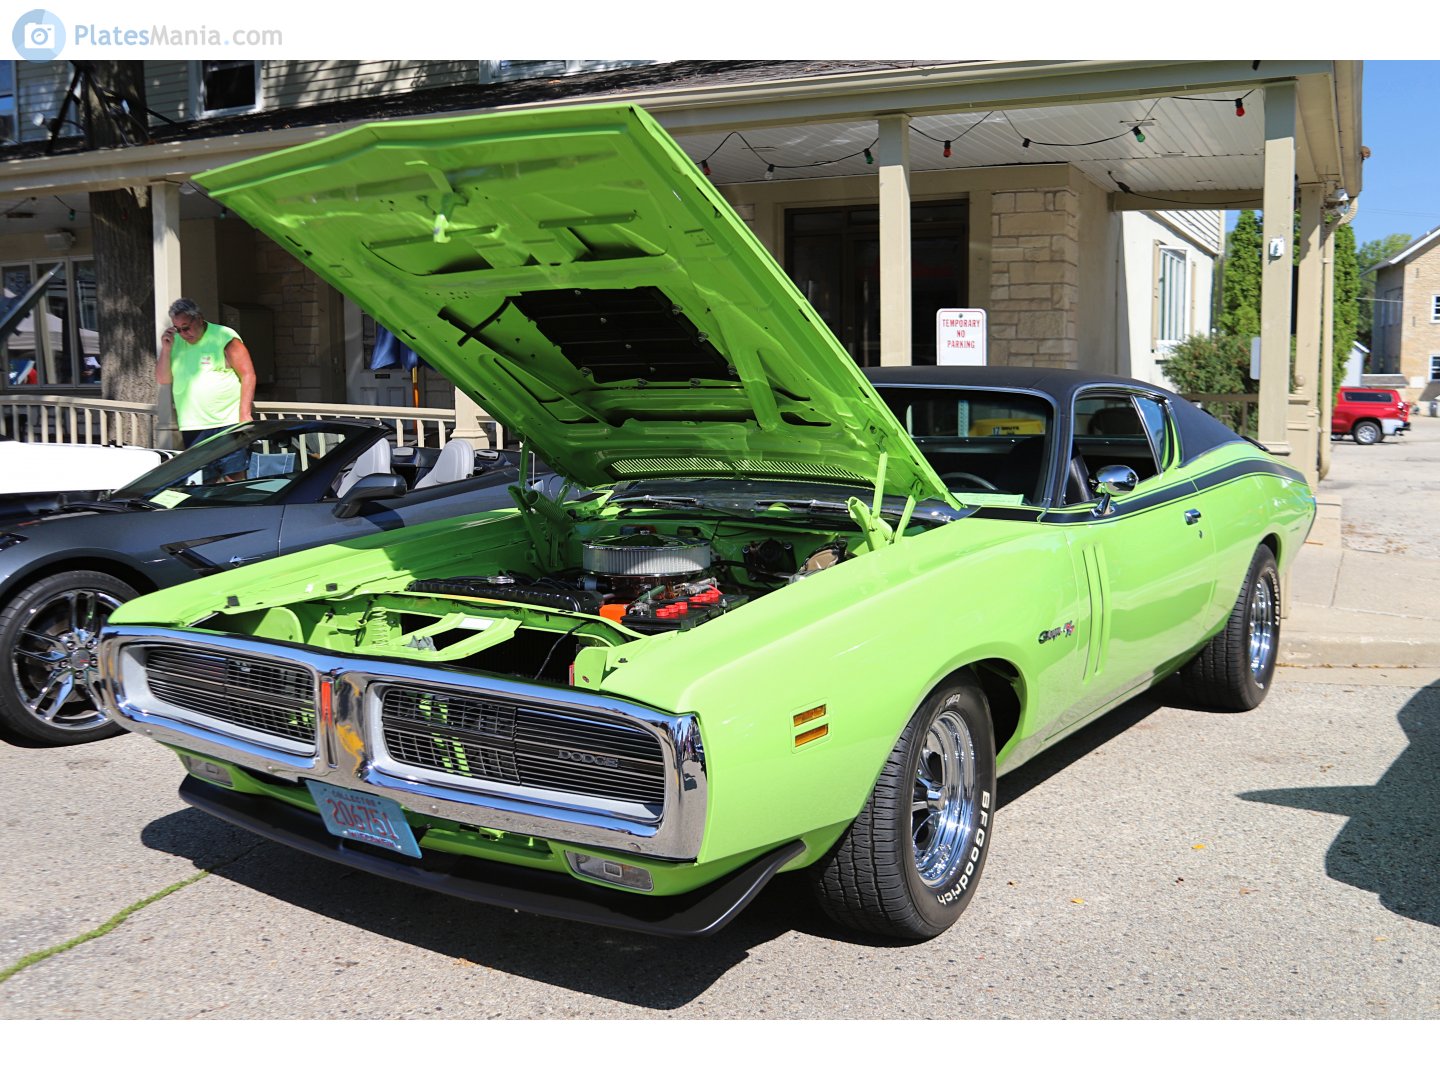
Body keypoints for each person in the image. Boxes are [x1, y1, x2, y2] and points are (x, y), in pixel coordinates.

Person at [156, 298, 256, 481]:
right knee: (202, 483)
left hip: (227, 423)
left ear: (199, 319)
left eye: (186, 327)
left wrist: (244, 414)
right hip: (194, 425)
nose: (183, 333)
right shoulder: (174, 342)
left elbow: (248, 374)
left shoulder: (224, 336)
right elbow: (163, 379)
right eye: (178, 329)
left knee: (234, 481)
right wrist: (166, 349)